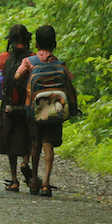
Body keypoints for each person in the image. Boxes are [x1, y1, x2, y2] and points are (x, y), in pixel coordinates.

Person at [15, 24, 78, 197]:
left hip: (34, 110)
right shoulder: (60, 65)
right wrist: (73, 108)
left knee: (35, 144)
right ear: (55, 44)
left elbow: (17, 76)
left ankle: (34, 180)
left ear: (35, 44)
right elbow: (69, 86)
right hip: (55, 110)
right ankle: (46, 183)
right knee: (49, 145)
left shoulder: (29, 61)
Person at [0, 24, 34, 192]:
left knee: (10, 140)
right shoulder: (33, 58)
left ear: (9, 40)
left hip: (9, 105)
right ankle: (26, 162)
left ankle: (14, 179)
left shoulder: (3, 57)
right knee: (26, 136)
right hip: (27, 105)